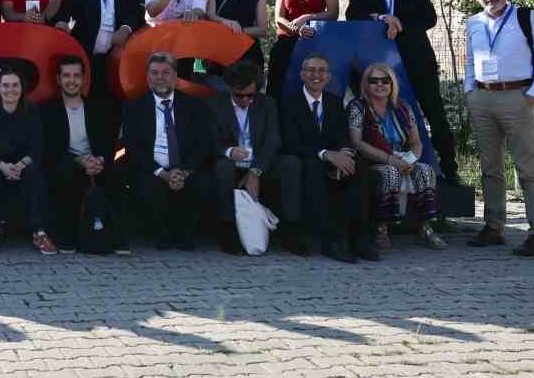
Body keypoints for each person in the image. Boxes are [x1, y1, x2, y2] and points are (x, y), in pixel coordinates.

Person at [345, 0, 457, 182]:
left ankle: (450, 171)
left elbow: (428, 18)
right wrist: (379, 18)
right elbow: (352, 17)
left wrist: (399, 21)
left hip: (417, 61)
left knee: (435, 114)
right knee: (382, 118)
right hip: (383, 67)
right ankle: (390, 167)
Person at [464, 0, 534, 256]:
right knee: (490, 168)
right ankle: (494, 227)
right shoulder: (473, 22)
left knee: (527, 168)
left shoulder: (528, 17)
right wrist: (470, 91)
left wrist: (533, 94)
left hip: (518, 97)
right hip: (482, 98)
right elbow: (469, 59)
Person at [280, 53, 373, 263]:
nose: (316, 75)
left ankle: (359, 239)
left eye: (322, 71)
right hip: (307, 158)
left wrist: (344, 154)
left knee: (358, 166)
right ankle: (330, 242)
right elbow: (291, 142)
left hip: (334, 156)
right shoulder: (289, 103)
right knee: (313, 169)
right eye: (311, 70)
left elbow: (342, 135)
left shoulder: (334, 102)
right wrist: (326, 154)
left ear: (328, 76)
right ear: (302, 74)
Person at [63, 0, 146, 164]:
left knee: (112, 115)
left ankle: (107, 164)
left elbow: (138, 13)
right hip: (86, 59)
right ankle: (85, 162)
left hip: (116, 61)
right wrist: (61, 23)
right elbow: (65, 10)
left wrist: (127, 28)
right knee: (90, 113)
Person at [209, 62, 307, 255]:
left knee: (290, 164)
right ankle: (228, 232)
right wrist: (229, 151)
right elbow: (210, 139)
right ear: (229, 88)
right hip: (231, 162)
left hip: (260, 162)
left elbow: (273, 140)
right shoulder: (214, 104)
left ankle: (291, 231)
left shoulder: (267, 103)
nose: (245, 100)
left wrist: (256, 170)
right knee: (223, 168)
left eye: (250, 95)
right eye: (239, 95)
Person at [121, 52, 215, 250]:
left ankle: (186, 234)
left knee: (202, 182)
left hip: (185, 168)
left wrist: (185, 171)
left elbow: (202, 144)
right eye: (155, 73)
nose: (160, 77)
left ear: (175, 76)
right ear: (147, 77)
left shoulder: (193, 105)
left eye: (166, 72)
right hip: (152, 169)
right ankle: (162, 234)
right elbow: (133, 147)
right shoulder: (134, 107)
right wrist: (162, 173)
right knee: (146, 184)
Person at [347, 62, 445, 252]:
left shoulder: (402, 107)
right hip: (371, 158)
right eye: (373, 81)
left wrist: (409, 161)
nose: (380, 85)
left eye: (385, 81)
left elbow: (417, 143)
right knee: (390, 173)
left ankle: (425, 228)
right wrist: (392, 160)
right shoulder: (358, 107)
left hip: (402, 157)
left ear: (392, 84)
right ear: (365, 84)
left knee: (425, 171)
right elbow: (357, 142)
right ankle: (381, 229)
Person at [40, 55, 129, 254]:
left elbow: (108, 142)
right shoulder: (47, 111)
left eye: (76, 75)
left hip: (95, 162)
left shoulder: (98, 108)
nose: (72, 80)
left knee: (117, 176)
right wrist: (78, 161)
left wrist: (100, 160)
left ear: (83, 79)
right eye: (67, 76)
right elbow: (49, 149)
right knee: (66, 173)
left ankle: (116, 237)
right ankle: (67, 237)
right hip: (66, 162)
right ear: (58, 79)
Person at [0, 66, 58, 255]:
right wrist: (3, 167)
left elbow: (36, 147)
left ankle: (39, 232)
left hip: (23, 165)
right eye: (6, 85)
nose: (11, 90)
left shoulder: (32, 111)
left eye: (15, 85)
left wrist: (19, 166)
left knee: (35, 174)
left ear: (22, 88)